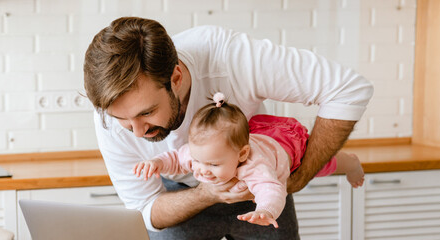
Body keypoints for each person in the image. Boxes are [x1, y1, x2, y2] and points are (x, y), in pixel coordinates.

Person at [83, 16, 373, 239]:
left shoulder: (230, 57)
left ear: (176, 77)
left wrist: (301, 176)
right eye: (123, 120)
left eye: (147, 113)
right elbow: (144, 207)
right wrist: (208, 193)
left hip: (260, 186)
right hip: (181, 195)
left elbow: (348, 89)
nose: (135, 132)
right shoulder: (109, 114)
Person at [133, 93, 365, 229]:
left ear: (242, 155)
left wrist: (266, 210)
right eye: (197, 161)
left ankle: (349, 162)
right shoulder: (201, 154)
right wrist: (157, 163)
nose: (201, 171)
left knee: (322, 164)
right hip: (259, 134)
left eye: (213, 165)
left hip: (287, 146)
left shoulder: (255, 166)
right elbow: (176, 158)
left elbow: (272, 190)